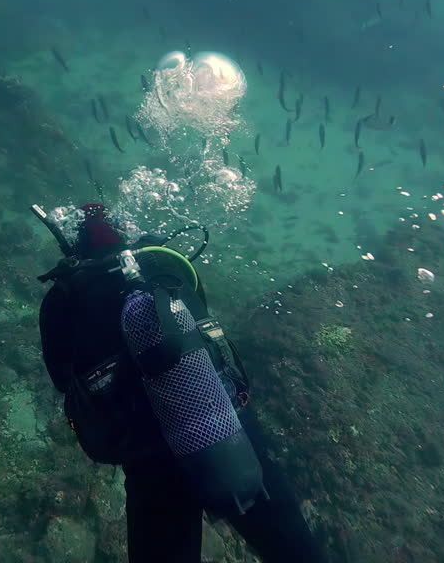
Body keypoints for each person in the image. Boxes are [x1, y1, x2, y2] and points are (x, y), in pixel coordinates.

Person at [35, 202, 325, 563]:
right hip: (227, 427)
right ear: (127, 231)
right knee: (296, 551)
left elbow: (64, 379)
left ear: (75, 245)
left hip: (147, 458)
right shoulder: (168, 263)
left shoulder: (62, 298)